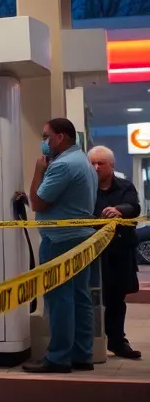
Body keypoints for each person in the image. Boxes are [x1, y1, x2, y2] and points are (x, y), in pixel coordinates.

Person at [16, 118, 99, 374]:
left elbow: (40, 203)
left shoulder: (61, 165)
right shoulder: (82, 161)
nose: (44, 142)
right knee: (80, 296)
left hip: (59, 239)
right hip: (81, 237)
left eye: (46, 136)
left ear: (60, 137)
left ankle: (58, 357)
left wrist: (38, 170)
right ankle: (81, 354)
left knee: (58, 297)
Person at [87, 146, 142, 360]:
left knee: (117, 298)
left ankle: (118, 342)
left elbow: (133, 207)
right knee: (91, 298)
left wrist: (120, 211)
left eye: (101, 163)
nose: (96, 167)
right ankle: (90, 343)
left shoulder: (125, 186)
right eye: (92, 163)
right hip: (93, 252)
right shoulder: (85, 189)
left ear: (112, 165)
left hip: (120, 252)